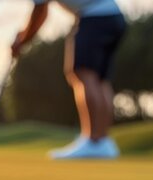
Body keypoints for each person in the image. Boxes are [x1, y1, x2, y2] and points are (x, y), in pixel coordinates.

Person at [12, 0, 127, 160]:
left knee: (83, 74)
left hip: (94, 17)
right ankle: (103, 141)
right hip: (114, 17)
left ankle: (93, 141)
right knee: (100, 80)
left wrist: (22, 40)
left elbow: (40, 11)